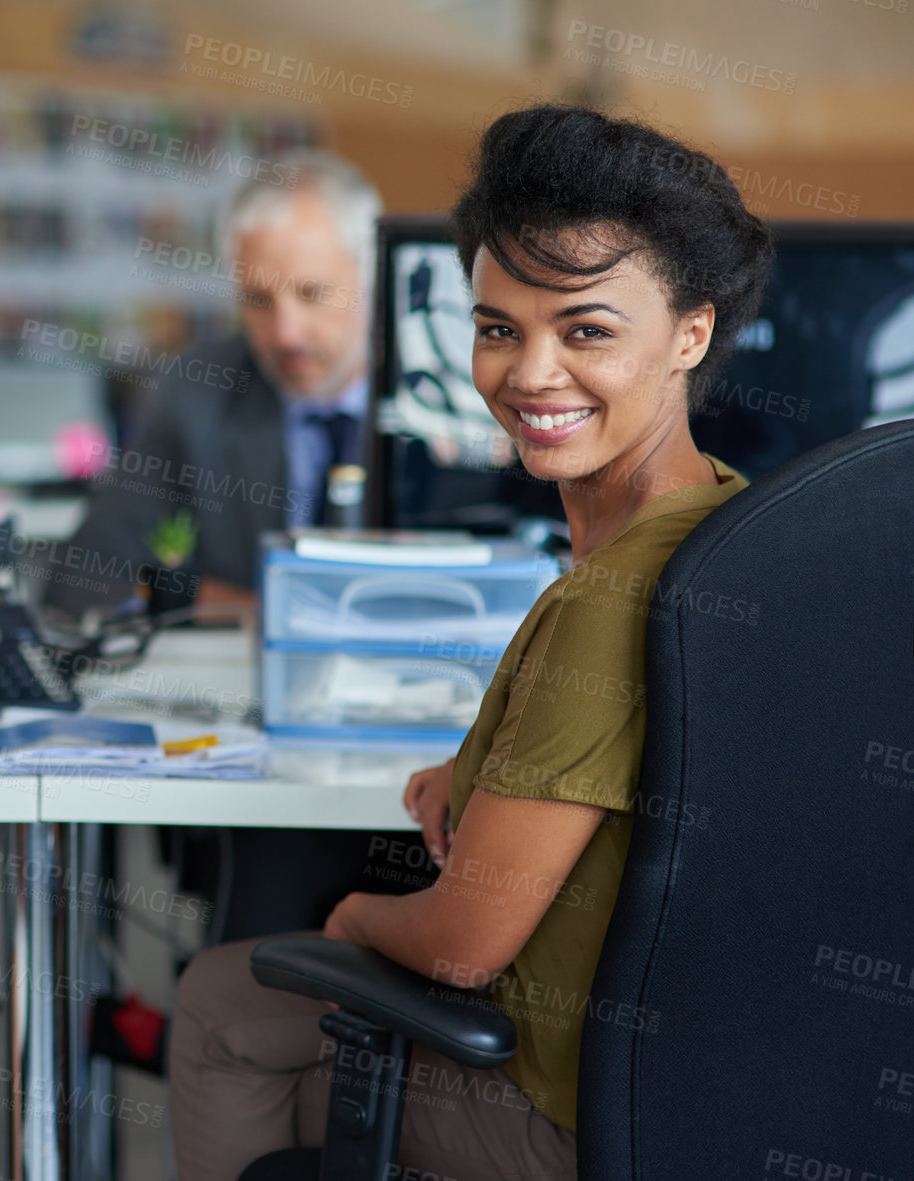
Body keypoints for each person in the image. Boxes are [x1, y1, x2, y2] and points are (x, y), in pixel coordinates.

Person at [167, 103, 773, 1181]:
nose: (529, 374)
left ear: (691, 333)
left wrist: (353, 913)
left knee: (220, 1002)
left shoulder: (610, 592)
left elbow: (460, 943)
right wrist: (483, 767)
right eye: (499, 329)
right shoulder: (713, 521)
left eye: (586, 329)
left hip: (567, 1112)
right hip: (675, 1073)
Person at [43, 147, 383, 620]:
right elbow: (84, 577)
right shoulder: (198, 390)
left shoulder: (448, 396)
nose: (285, 332)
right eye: (258, 300)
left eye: (312, 293)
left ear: (371, 277)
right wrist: (270, 617)